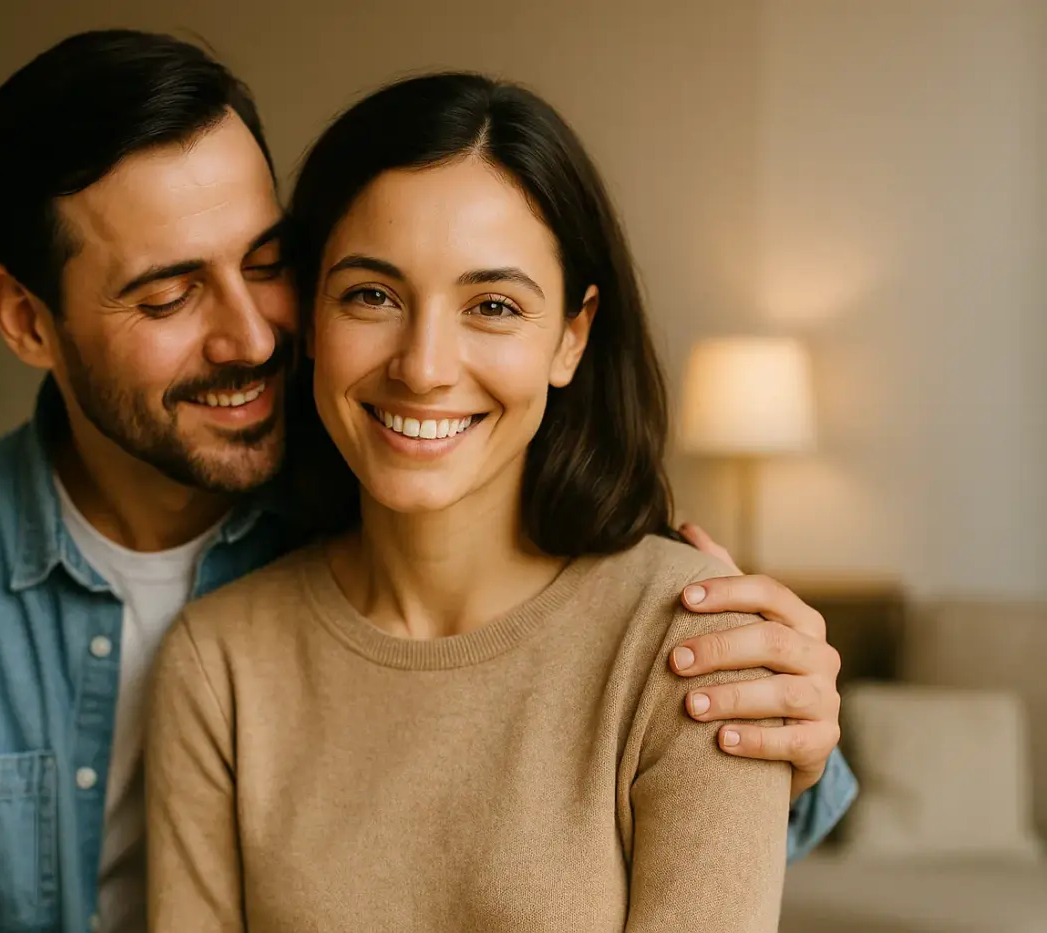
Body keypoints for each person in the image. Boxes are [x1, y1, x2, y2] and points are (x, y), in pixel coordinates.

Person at [0, 30, 854, 933]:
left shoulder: (598, 587)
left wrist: (790, 744)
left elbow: (674, 745)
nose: (250, 331)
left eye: (267, 263)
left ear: (569, 333)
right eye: (169, 292)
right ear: (26, 319)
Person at [145, 72, 797, 931]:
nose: (423, 365)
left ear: (572, 334)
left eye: (492, 305)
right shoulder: (220, 661)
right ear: (310, 316)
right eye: (371, 295)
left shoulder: (693, 650)